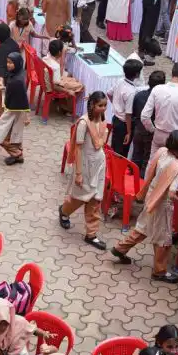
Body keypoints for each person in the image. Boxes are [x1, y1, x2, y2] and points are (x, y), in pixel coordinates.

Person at [111, 130, 178, 282]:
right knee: (163, 238)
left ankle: (120, 248)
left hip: (150, 195)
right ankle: (160, 271)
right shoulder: (177, 166)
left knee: (143, 227)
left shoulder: (162, 152)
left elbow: (151, 172)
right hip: (162, 204)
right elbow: (171, 193)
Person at [59, 91, 109, 250]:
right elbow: (78, 149)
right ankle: (64, 211)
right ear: (92, 105)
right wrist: (79, 173)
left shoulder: (102, 121)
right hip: (85, 165)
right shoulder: (83, 123)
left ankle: (91, 235)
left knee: (95, 199)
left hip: (99, 165)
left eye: (105, 105)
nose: (103, 108)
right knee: (79, 198)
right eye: (100, 105)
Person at [142, 62, 178, 158]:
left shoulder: (157, 89)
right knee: (170, 164)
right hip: (175, 137)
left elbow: (144, 116)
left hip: (159, 133)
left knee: (153, 161)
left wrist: (153, 130)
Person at [0, 51, 32, 165]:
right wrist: (5, 88)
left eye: (11, 62)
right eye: (7, 62)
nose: (8, 65)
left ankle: (16, 154)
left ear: (17, 63)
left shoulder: (17, 81)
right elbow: (15, 91)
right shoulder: (17, 74)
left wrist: (27, 115)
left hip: (14, 112)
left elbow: (23, 98)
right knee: (15, 135)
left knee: (0, 135)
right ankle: (17, 156)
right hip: (13, 111)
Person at [131, 70, 165, 172]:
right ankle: (142, 179)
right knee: (147, 159)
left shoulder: (139, 95)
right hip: (151, 132)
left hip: (138, 129)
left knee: (136, 155)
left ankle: (131, 176)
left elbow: (133, 113)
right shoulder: (161, 100)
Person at [110, 58, 145, 157]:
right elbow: (128, 115)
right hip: (124, 125)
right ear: (137, 74)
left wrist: (115, 104)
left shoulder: (120, 81)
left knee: (114, 147)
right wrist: (129, 132)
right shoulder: (131, 92)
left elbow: (109, 93)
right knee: (121, 152)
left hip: (115, 118)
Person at [0, 23, 21, 116]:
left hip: (5, 79)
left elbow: (0, 68)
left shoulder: (2, 48)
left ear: (1, 34)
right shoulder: (14, 44)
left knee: (1, 103)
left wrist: (1, 83)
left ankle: (0, 122)